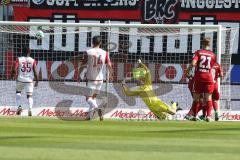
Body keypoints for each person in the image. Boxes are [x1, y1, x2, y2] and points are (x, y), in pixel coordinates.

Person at [78, 35, 113, 121]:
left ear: (92, 42)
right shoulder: (105, 53)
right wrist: (111, 75)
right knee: (93, 98)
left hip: (91, 79)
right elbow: (109, 65)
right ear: (100, 43)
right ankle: (89, 116)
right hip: (100, 79)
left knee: (88, 98)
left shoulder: (88, 52)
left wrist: (79, 74)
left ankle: (98, 109)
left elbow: (82, 65)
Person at [186, 37, 216, 122]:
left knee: (196, 98)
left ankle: (195, 116)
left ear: (202, 43)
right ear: (209, 44)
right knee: (208, 98)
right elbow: (212, 67)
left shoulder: (198, 52)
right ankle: (208, 116)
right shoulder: (213, 55)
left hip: (199, 77)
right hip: (209, 78)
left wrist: (187, 71)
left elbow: (193, 63)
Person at [11, 46, 38, 116]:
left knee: (18, 92)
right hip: (29, 80)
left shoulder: (19, 59)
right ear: (29, 52)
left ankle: (19, 106)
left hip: (20, 79)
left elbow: (14, 69)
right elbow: (35, 71)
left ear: (22, 52)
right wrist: (37, 80)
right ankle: (30, 109)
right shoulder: (33, 60)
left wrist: (13, 75)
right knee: (29, 96)